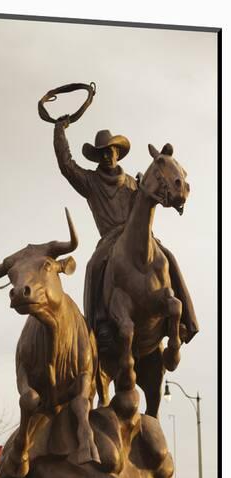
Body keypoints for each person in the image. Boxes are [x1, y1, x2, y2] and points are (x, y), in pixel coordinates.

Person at [53, 116, 198, 351]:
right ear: (97, 156)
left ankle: (185, 321)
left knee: (168, 257)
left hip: (137, 235)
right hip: (110, 239)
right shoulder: (90, 182)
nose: (107, 155)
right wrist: (59, 130)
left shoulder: (132, 182)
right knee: (93, 266)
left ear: (117, 152)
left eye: (110, 151)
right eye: (102, 152)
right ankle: (97, 323)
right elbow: (66, 164)